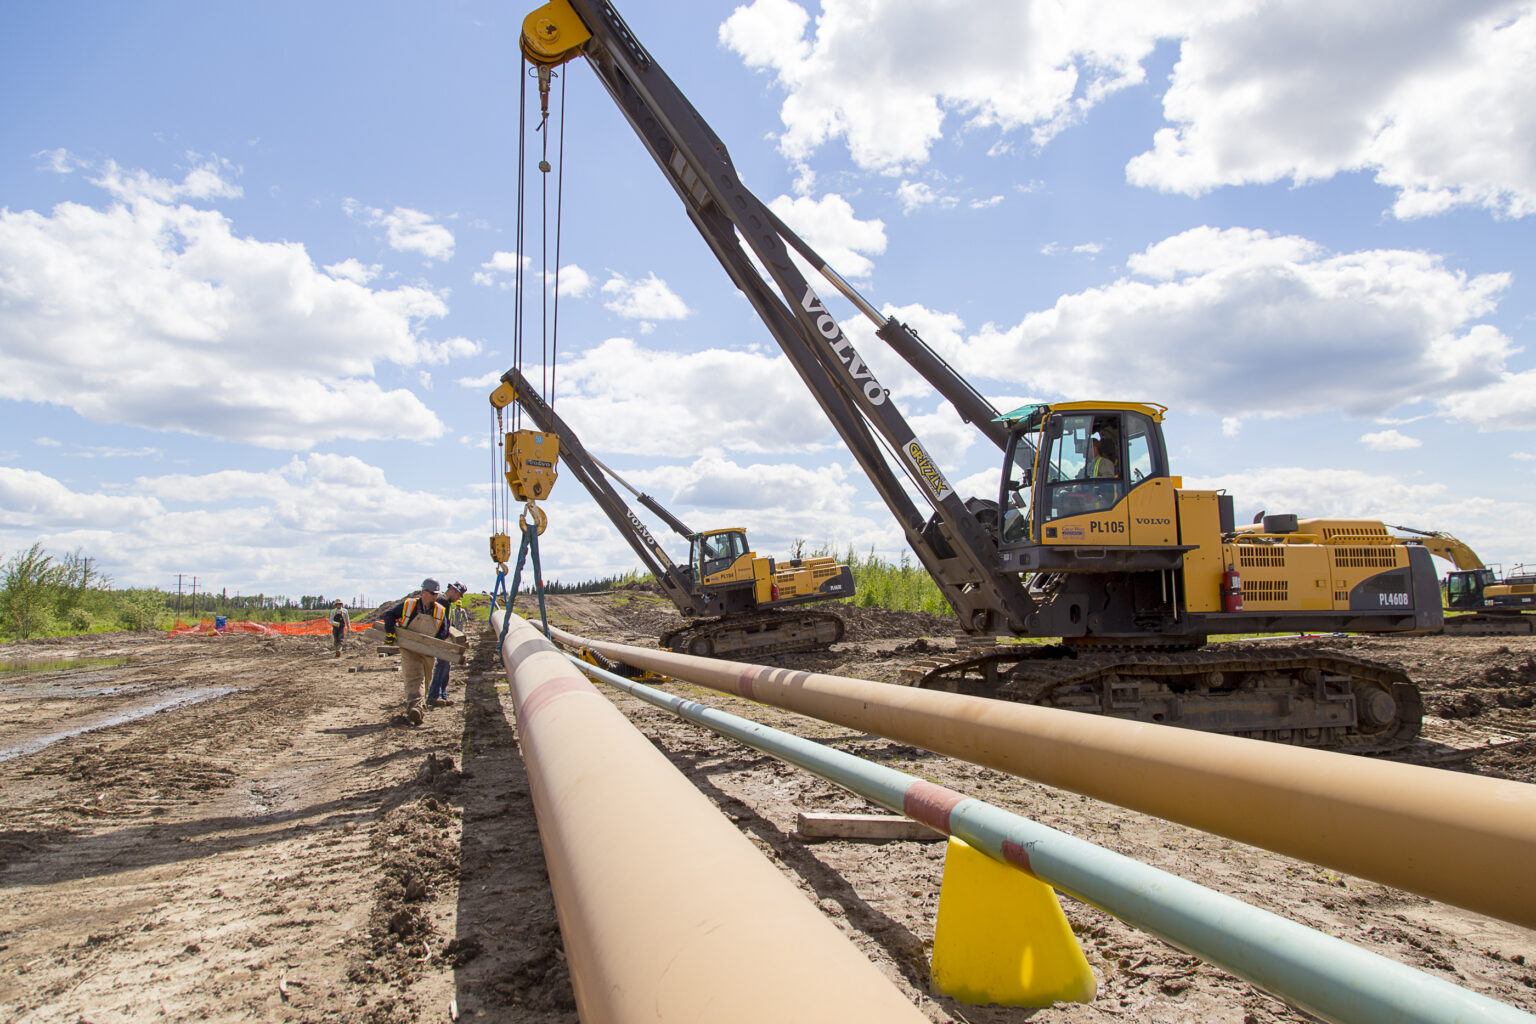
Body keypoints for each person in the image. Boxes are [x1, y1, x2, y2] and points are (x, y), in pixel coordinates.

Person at [380, 578, 452, 726]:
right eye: (432, 593)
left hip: (427, 651)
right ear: (423, 592)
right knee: (414, 678)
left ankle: (419, 709)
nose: (435, 597)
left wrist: (435, 644)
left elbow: (444, 631)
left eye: (436, 594)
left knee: (426, 680)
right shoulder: (409, 605)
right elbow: (389, 615)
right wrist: (390, 632)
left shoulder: (439, 610)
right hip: (410, 648)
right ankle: (414, 709)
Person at [427, 582, 467, 707]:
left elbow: (446, 623)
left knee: (445, 666)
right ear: (454, 591)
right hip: (438, 639)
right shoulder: (442, 602)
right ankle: (434, 696)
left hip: (441, 639)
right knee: (442, 665)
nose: (458, 599)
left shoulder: (446, 603)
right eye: (458, 596)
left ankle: (441, 695)